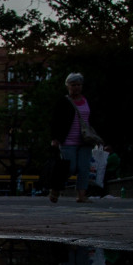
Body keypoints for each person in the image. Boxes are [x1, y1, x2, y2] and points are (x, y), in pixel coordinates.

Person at [49, 73, 99, 203]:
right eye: (73, 85)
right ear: (68, 86)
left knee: (84, 168)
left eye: (78, 85)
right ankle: (56, 189)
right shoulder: (63, 102)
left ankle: (81, 195)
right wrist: (54, 138)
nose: (76, 87)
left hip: (85, 141)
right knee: (69, 168)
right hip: (67, 141)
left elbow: (94, 120)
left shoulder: (88, 101)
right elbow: (55, 121)